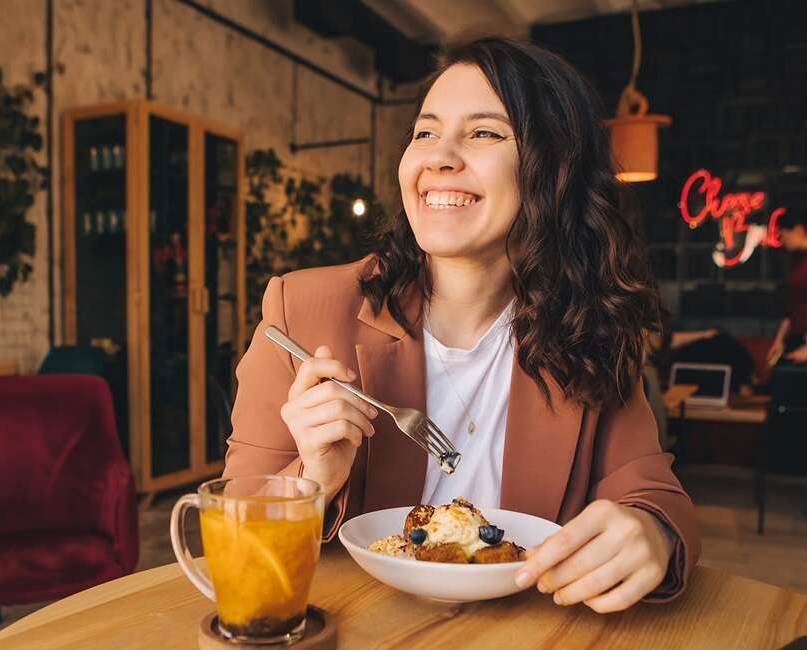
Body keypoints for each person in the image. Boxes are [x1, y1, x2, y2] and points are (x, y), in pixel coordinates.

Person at [223, 38, 698, 612]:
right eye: (425, 133)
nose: (439, 157)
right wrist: (312, 479)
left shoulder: (589, 327)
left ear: (554, 168)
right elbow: (233, 537)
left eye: (484, 133)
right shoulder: (300, 311)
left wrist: (651, 533)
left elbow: (653, 493)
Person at [768, 211, 807, 365]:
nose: (781, 240)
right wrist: (779, 340)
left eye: (783, 234)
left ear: (798, 230)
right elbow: (791, 306)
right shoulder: (796, 261)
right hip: (795, 338)